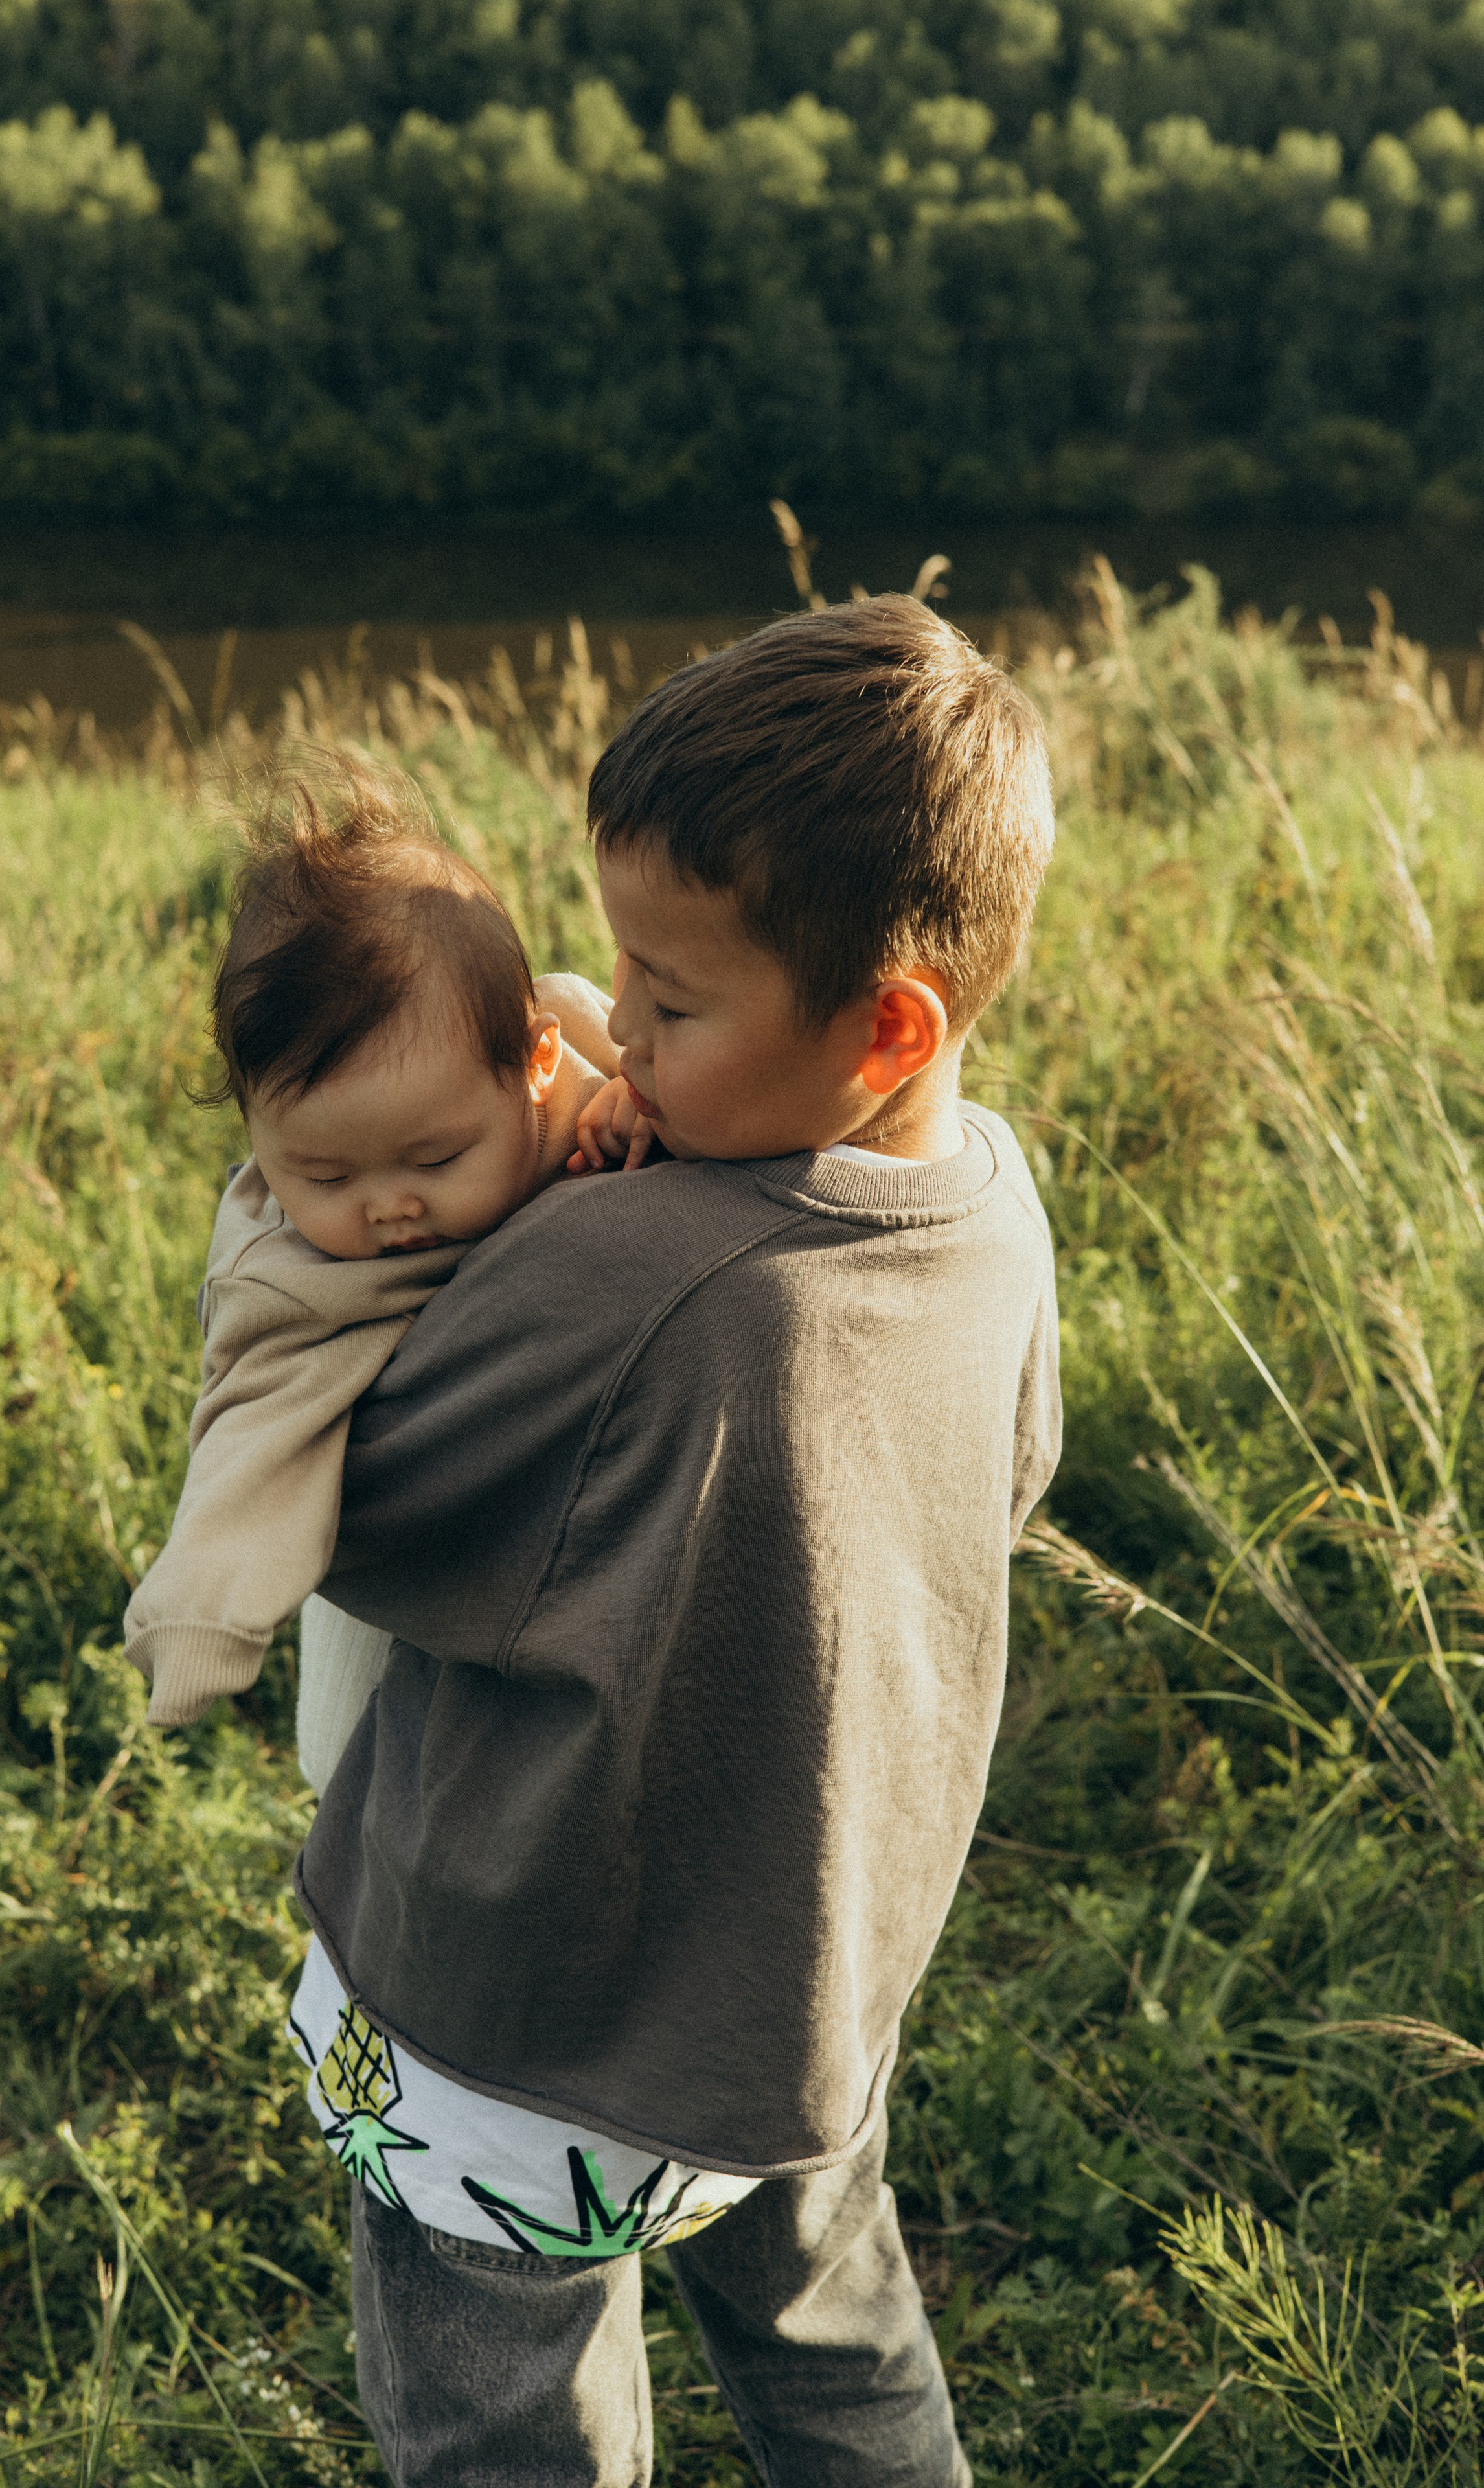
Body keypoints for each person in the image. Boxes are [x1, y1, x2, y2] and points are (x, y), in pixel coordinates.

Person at [292, 595, 1063, 2487]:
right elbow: (1009, 1477)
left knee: (505, 2415)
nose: (607, 1022)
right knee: (835, 2342)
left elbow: (364, 1515)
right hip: (801, 1995)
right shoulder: (994, 1200)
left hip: (520, 2031)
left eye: (669, 995)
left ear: (885, 1024)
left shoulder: (628, 1265)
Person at [121, 764, 619, 1775]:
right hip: (382, 1614)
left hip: (569, 1595)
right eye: (322, 1171)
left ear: (531, 1063)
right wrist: (202, 1622)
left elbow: (672, 1079)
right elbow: (251, 1433)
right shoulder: (293, 1273)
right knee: (365, 1756)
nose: (389, 1205)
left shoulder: (585, 1067)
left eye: (436, 1160)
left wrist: (633, 1110)